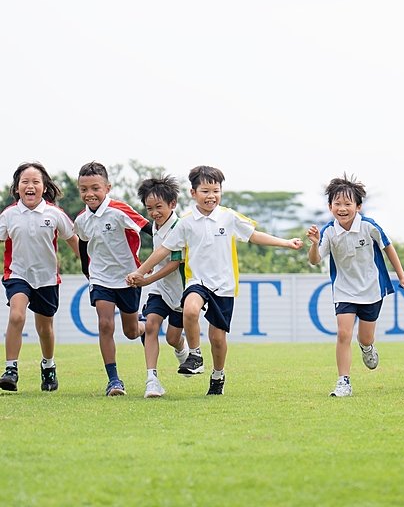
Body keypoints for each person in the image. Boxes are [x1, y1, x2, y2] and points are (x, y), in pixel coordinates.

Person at [127, 165, 303, 396]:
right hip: (197, 281)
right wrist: (141, 271)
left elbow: (253, 236)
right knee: (190, 310)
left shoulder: (228, 217)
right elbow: (163, 250)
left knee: (218, 339)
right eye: (205, 191)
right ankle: (195, 355)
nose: (211, 196)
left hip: (224, 285)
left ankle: (218, 375)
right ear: (193, 193)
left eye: (216, 191)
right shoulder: (187, 223)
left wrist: (286, 242)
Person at [306, 174, 404, 398]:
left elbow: (388, 247)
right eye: (337, 204)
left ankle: (367, 347)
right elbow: (315, 260)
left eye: (347, 204)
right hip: (344, 290)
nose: (342, 208)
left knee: (365, 337)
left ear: (358, 206)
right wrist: (315, 245)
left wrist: (402, 275)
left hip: (372, 289)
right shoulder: (328, 231)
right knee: (343, 334)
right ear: (330, 206)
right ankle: (343, 381)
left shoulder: (368, 226)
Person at [0, 162, 80, 393]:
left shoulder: (55, 214)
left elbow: (73, 240)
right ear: (17, 188)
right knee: (16, 315)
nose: (30, 186)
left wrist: (89, 268)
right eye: (25, 182)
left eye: (35, 181)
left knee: (45, 329)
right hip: (17, 274)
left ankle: (48, 366)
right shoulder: (9, 215)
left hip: (46, 278)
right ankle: (10, 370)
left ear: (44, 187)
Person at [73, 161, 149, 396]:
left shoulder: (120, 210)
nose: (89, 194)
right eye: (84, 189)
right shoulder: (81, 219)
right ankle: (114, 380)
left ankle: (145, 326)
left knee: (130, 331)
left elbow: (148, 227)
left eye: (95, 188)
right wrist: (88, 272)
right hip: (100, 279)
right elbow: (84, 244)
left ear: (107, 187)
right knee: (105, 324)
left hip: (128, 278)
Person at [130, 175, 190, 398]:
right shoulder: (155, 225)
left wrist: (144, 277)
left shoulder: (179, 227)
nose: (154, 212)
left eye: (159, 207)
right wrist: (145, 276)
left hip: (180, 292)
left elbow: (174, 263)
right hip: (159, 289)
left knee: (172, 338)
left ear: (172, 204)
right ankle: (152, 380)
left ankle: (181, 350)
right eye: (149, 208)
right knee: (152, 325)